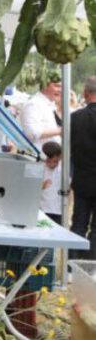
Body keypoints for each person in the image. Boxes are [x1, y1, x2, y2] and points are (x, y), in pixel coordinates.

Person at [70, 76, 96, 259]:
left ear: (86, 93)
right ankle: (92, 265)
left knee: (78, 222)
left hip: (82, 178)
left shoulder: (75, 117)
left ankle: (72, 263)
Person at [19, 73, 62, 150]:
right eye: (56, 86)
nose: (60, 90)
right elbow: (32, 133)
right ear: (45, 85)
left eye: (61, 87)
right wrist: (60, 131)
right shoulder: (34, 104)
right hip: (41, 158)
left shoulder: (48, 104)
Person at [40, 141, 62, 224]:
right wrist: (42, 186)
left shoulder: (63, 170)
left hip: (58, 211)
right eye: (48, 161)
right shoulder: (40, 168)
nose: (52, 164)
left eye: (55, 161)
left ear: (60, 157)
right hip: (43, 209)